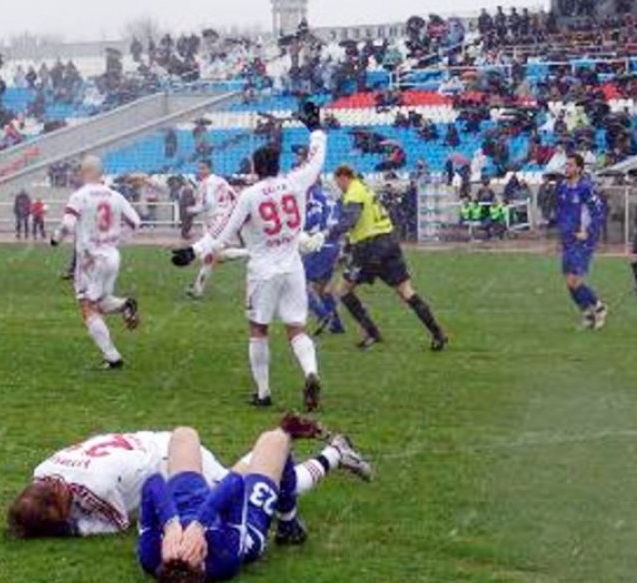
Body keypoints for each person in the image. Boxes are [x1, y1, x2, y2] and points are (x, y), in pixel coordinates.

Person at [171, 102, 326, 410]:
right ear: (278, 165)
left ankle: (264, 393)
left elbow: (222, 231)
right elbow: (316, 161)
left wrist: (193, 251)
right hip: (293, 266)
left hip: (263, 269)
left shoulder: (249, 196)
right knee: (296, 328)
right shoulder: (295, 181)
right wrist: (316, 130)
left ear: (255, 169)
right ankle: (310, 372)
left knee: (258, 329)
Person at [137, 419, 372, 583]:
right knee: (276, 438)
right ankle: (335, 455)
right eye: (194, 550)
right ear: (203, 565)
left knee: (184, 434)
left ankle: (262, 459)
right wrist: (198, 527)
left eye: (177, 549)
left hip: (187, 501)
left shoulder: (151, 556)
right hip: (244, 521)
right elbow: (236, 486)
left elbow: (153, 483)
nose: (186, 543)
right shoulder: (224, 557)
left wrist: (171, 525)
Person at [7, 430, 231, 538]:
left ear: (56, 495)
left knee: (234, 491)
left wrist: (75, 528)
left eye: (57, 515)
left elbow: (119, 523)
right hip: (142, 442)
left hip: (167, 456)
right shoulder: (43, 470)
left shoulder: (96, 487)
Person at [328, 165, 448, 351]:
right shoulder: (365, 189)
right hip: (389, 242)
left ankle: (372, 332)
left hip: (368, 247)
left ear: (343, 177)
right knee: (406, 291)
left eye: (338, 183)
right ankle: (437, 333)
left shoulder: (353, 192)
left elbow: (349, 221)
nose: (338, 187)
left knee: (343, 290)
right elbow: (362, 222)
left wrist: (327, 235)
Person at [50, 155, 142, 369]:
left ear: (84, 172)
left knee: (87, 307)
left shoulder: (79, 196)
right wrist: (116, 241)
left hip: (90, 260)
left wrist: (55, 238)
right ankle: (125, 305)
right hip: (112, 257)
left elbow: (67, 225)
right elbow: (136, 222)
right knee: (100, 301)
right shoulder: (116, 196)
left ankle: (112, 357)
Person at [553, 154, 608, 329]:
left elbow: (598, 213)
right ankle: (588, 312)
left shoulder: (586, 189)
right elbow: (562, 212)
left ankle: (598, 308)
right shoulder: (562, 187)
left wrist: (587, 232)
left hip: (582, 241)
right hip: (568, 240)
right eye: (566, 165)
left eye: (570, 165)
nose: (566, 168)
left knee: (574, 281)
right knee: (569, 281)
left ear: (579, 168)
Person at [185, 161, 244, 299]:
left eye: (203, 167)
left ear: (210, 169)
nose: (200, 170)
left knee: (208, 255)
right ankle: (197, 289)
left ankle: (250, 253)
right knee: (212, 256)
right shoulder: (221, 181)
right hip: (226, 219)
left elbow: (207, 204)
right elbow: (234, 198)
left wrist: (191, 210)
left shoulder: (206, 183)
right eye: (199, 168)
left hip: (215, 222)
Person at [302, 180, 345, 336]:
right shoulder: (329, 195)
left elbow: (315, 218)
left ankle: (322, 315)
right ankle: (336, 325)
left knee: (299, 283)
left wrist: (301, 227)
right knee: (322, 288)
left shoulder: (314, 194)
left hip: (321, 245)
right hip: (333, 245)